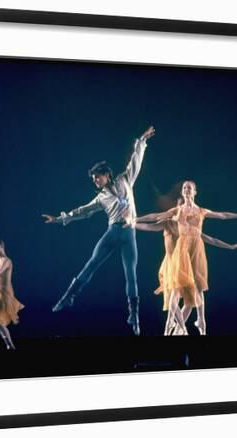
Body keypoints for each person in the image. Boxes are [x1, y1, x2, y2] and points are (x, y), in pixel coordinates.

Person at [42, 126, 155, 336]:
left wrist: (141, 141)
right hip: (112, 232)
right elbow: (82, 211)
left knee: (131, 275)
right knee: (91, 264)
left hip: (129, 233)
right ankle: (68, 297)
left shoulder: (124, 180)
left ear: (106, 175)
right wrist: (59, 219)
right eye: (93, 178)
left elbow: (135, 161)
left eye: (97, 177)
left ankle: (134, 316)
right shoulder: (101, 197)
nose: (95, 180)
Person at [139, 181, 237, 335]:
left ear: (195, 192)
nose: (186, 189)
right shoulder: (177, 210)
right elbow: (156, 216)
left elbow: (222, 216)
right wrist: (135, 220)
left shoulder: (201, 211)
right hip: (183, 249)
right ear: (182, 192)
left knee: (199, 286)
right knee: (178, 288)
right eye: (184, 187)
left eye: (189, 188)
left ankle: (199, 322)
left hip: (197, 248)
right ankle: (172, 327)